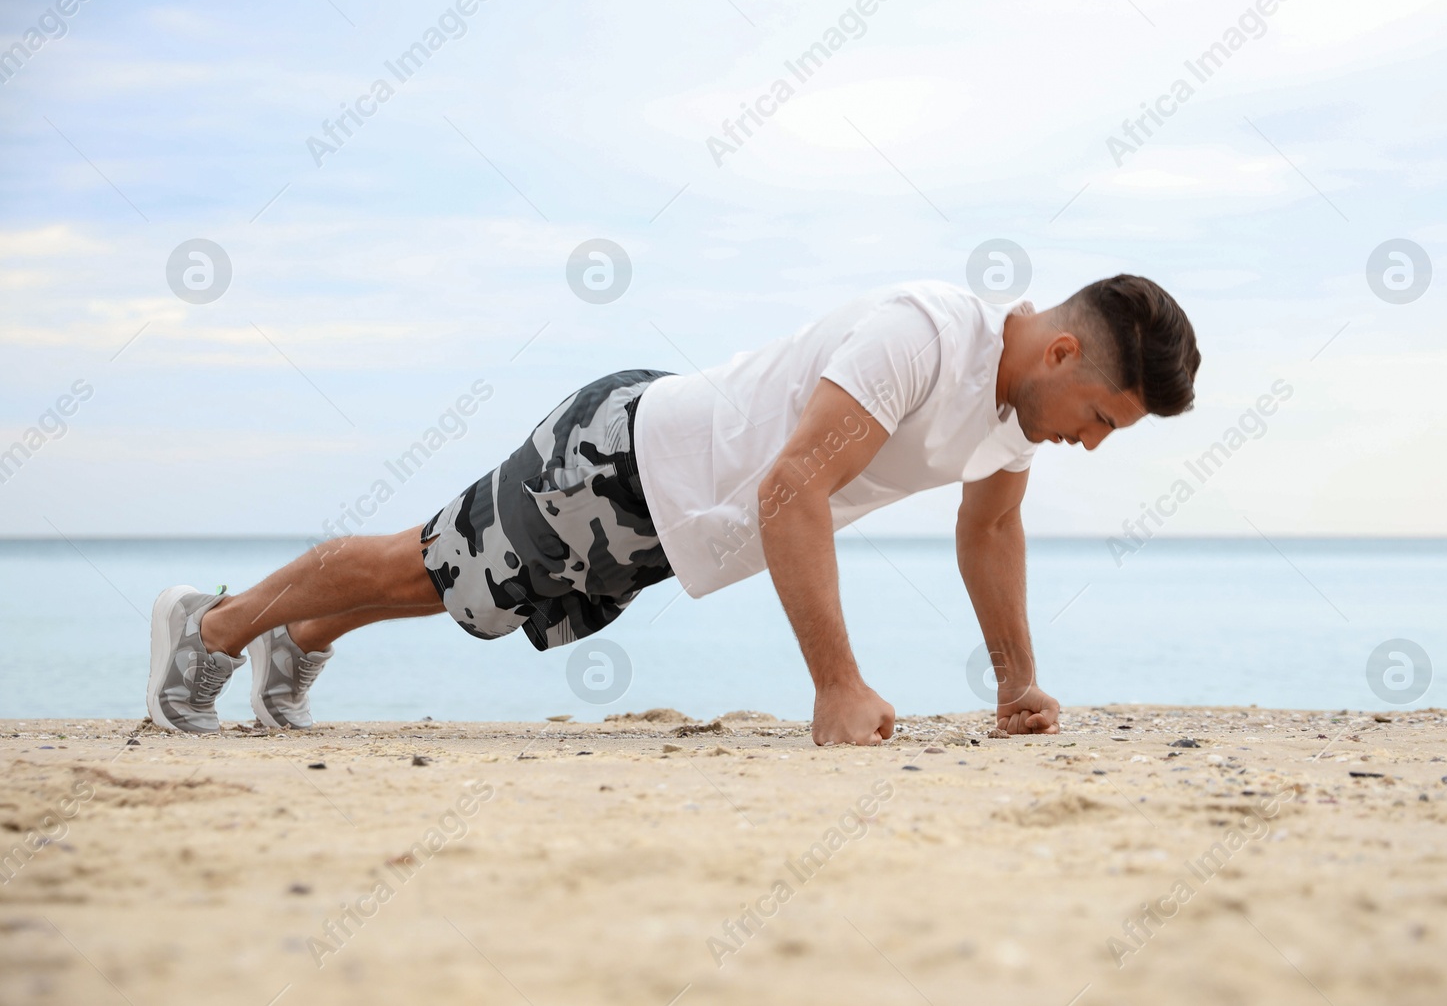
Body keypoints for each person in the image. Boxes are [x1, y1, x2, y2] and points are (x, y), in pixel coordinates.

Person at [146, 274, 1201, 745]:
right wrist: (836, 685)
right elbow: (793, 488)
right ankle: (211, 625)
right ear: (1061, 352)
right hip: (624, 458)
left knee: (477, 601)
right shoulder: (923, 337)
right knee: (423, 565)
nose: (1092, 441)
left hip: (677, 512)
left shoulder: (1022, 415)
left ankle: (301, 638)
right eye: (1102, 415)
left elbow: (991, 527)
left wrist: (1017, 683)